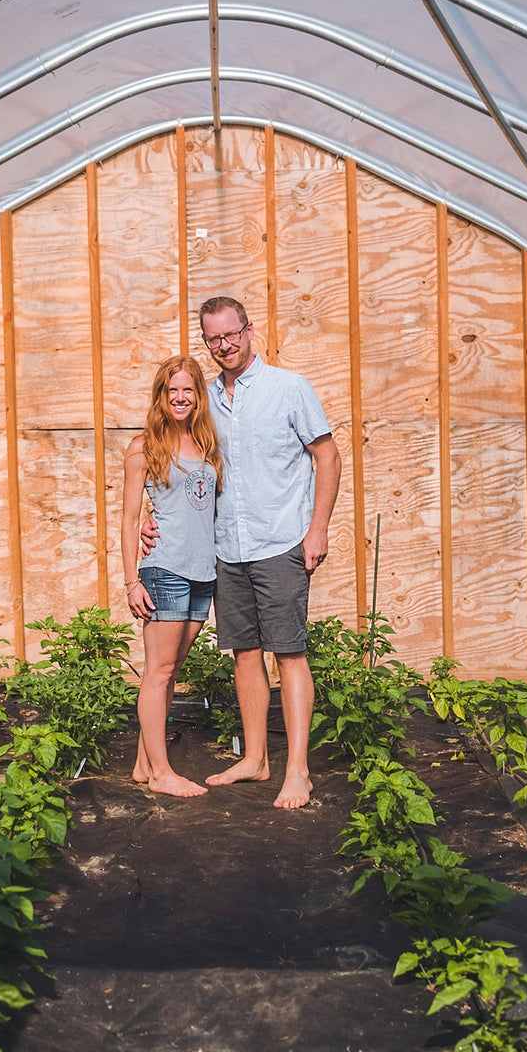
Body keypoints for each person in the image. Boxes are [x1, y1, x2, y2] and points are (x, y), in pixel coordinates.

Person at [146, 296, 341, 810]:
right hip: (226, 549)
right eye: (213, 338)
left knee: (289, 653)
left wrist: (317, 528)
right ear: (206, 342)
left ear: (249, 330)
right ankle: (256, 759)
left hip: (280, 540)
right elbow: (175, 461)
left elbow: (327, 455)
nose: (224, 345)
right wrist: (150, 512)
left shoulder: (288, 388)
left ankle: (298, 771)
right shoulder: (204, 399)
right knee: (245, 653)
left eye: (231, 334)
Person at [120, 355, 222, 797]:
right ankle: (162, 774)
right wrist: (131, 580)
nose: (180, 397)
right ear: (161, 396)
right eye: (172, 390)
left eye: (188, 390)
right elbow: (129, 519)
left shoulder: (207, 443)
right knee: (159, 672)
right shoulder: (143, 447)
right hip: (165, 568)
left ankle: (144, 764)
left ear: (198, 396)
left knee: (172, 669)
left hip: (203, 572)